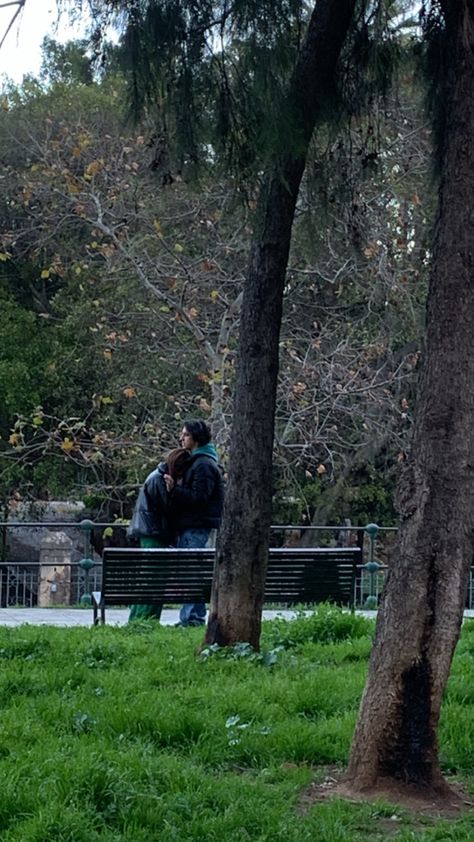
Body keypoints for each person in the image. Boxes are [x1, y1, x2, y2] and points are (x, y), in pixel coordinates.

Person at [164, 419, 224, 627]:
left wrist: (175, 490)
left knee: (191, 570)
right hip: (192, 524)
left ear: (196, 438)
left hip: (196, 525)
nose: (181, 438)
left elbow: (200, 498)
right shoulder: (200, 462)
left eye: (186, 435)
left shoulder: (204, 464)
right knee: (192, 570)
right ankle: (194, 616)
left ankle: (191, 617)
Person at [127, 447, 190, 622]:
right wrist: (174, 491)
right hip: (154, 533)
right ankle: (142, 618)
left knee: (154, 578)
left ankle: (146, 618)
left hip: (153, 532)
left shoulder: (157, 477)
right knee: (152, 578)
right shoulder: (159, 480)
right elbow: (168, 509)